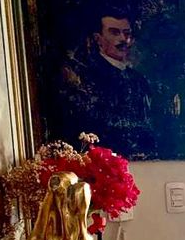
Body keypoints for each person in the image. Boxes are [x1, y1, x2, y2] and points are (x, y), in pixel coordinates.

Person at [56, 8, 155, 159]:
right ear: (98, 39)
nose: (123, 39)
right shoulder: (85, 77)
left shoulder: (139, 80)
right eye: (115, 32)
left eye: (127, 33)